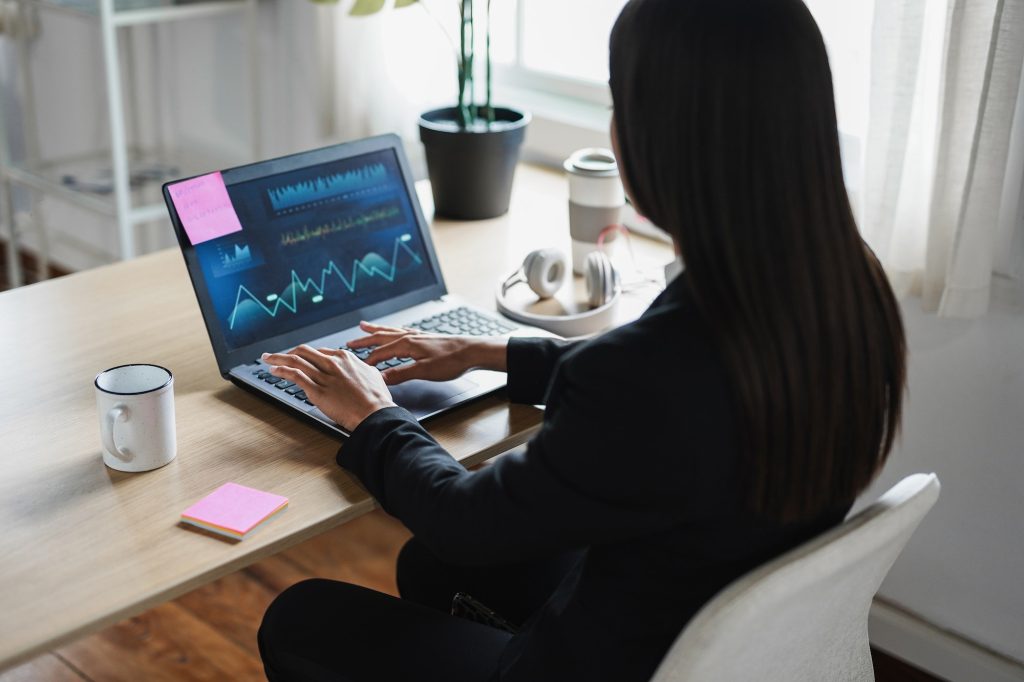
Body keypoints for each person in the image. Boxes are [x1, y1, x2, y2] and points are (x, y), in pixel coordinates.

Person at [256, 0, 907, 680]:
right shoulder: (845, 285)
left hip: (613, 658)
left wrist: (373, 416)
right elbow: (682, 383)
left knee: (301, 617)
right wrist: (490, 352)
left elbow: (464, 520)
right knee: (429, 563)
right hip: (697, 608)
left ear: (663, 136)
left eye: (618, 104)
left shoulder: (654, 372)